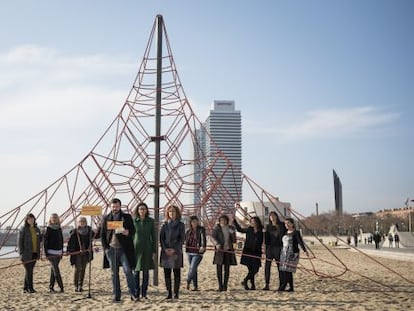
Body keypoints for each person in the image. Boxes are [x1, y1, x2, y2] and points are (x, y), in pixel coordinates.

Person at [101, 198, 137, 302]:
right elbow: (102, 234)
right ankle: (117, 295)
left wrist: (128, 232)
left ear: (120, 206)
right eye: (113, 207)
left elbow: (133, 231)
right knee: (114, 273)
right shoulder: (106, 218)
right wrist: (106, 248)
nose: (115, 208)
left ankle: (133, 294)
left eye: (116, 206)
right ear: (110, 207)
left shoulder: (126, 217)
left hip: (124, 249)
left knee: (128, 271)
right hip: (111, 249)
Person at [159, 205, 185, 299]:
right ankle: (169, 293)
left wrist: (174, 249)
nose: (172, 213)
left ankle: (176, 293)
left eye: (173, 211)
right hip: (165, 252)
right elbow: (161, 238)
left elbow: (182, 239)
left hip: (176, 251)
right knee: (167, 272)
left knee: (176, 272)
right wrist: (165, 249)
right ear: (167, 213)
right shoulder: (164, 225)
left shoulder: (181, 225)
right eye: (170, 212)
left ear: (177, 213)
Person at [233, 215, 263, 290]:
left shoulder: (261, 230)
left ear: (257, 222)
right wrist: (234, 221)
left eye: (254, 222)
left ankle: (245, 280)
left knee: (255, 269)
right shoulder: (249, 229)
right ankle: (252, 286)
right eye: (251, 222)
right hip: (248, 251)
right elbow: (239, 229)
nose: (253, 223)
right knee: (251, 269)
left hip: (257, 252)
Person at [132, 202, 156, 300]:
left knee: (146, 272)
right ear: (137, 210)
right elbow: (130, 235)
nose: (142, 211)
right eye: (140, 209)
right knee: (136, 272)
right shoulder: (134, 221)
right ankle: (136, 293)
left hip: (147, 248)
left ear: (146, 210)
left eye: (144, 209)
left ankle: (144, 293)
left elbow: (153, 237)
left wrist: (154, 251)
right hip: (135, 249)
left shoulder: (150, 221)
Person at [278, 218, 308, 292]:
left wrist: (305, 250)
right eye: (285, 223)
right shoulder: (284, 232)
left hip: (292, 254)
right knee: (285, 270)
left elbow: (300, 242)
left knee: (288, 270)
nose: (286, 225)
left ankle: (284, 285)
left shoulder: (296, 232)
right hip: (284, 253)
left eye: (288, 223)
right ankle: (291, 287)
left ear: (292, 224)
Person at [67, 216, 94, 292]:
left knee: (83, 269)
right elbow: (70, 242)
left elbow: (96, 235)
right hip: (77, 253)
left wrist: (100, 227)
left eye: (83, 221)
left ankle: (80, 285)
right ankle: (76, 285)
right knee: (78, 268)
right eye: (80, 222)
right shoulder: (75, 231)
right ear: (78, 223)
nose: (82, 223)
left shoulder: (89, 230)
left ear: (86, 223)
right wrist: (69, 250)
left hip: (86, 253)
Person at [212, 215, 237, 292]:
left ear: (227, 221)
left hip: (228, 250)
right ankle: (220, 286)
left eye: (225, 220)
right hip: (219, 251)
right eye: (221, 220)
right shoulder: (217, 228)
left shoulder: (231, 228)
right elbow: (213, 237)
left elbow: (234, 240)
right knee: (219, 269)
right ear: (219, 221)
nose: (223, 221)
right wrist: (217, 244)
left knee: (227, 269)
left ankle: (225, 286)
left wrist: (232, 233)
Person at [18, 213, 42, 293]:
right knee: (29, 271)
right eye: (29, 219)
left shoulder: (37, 229)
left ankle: (25, 288)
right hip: (26, 254)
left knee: (29, 270)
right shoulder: (23, 229)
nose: (31, 220)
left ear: (34, 219)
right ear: (26, 220)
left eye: (32, 218)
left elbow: (39, 240)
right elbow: (20, 243)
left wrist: (43, 235)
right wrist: (21, 254)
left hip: (35, 253)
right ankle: (30, 288)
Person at [263, 211, 286, 290]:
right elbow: (266, 239)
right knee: (267, 267)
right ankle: (267, 284)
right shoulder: (268, 227)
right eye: (270, 216)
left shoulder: (282, 225)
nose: (272, 217)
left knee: (280, 267)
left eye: (273, 215)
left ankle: (282, 284)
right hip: (270, 248)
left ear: (276, 216)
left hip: (279, 248)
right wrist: (265, 249)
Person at [44, 213, 65, 293]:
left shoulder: (59, 228)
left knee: (53, 270)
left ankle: (51, 287)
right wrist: (46, 254)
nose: (54, 219)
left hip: (59, 252)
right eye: (52, 218)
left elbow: (61, 240)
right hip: (51, 252)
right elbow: (45, 242)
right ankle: (61, 287)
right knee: (56, 270)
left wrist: (62, 252)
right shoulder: (48, 229)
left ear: (57, 219)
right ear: (50, 219)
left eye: (55, 217)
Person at [185, 215, 207, 291]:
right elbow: (185, 240)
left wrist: (203, 246)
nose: (195, 223)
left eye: (196, 221)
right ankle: (195, 286)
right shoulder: (188, 231)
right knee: (194, 269)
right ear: (190, 223)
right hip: (189, 252)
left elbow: (203, 238)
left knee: (192, 268)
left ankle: (188, 281)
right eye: (193, 221)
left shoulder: (201, 229)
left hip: (198, 252)